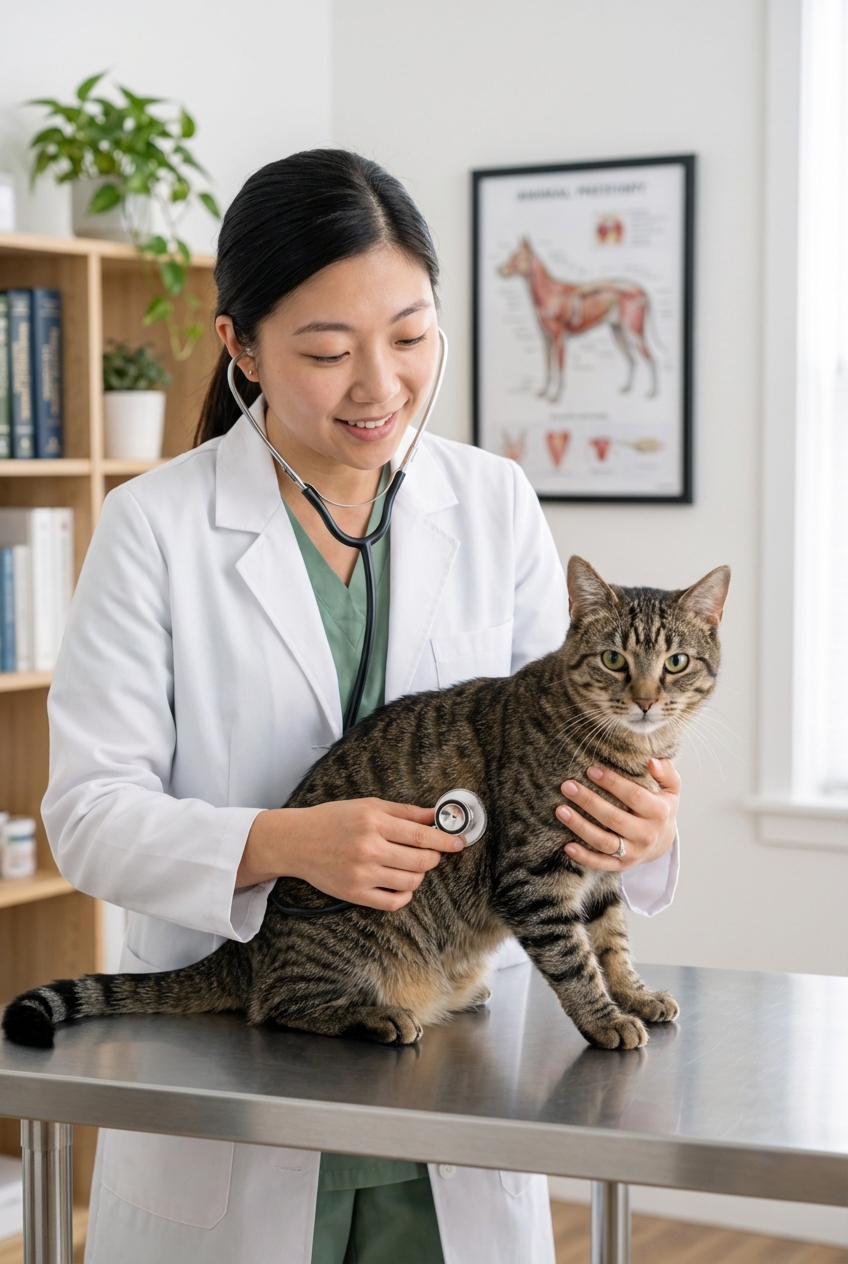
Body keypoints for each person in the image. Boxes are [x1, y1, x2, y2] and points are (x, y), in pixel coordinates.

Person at [44, 150, 680, 1264]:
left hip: (451, 1087)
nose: (378, 386)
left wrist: (645, 826)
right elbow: (88, 812)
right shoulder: (154, 526)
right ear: (238, 345)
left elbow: (571, 740)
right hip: (238, 1101)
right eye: (328, 351)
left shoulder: (490, 502)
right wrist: (283, 843)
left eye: (410, 335)